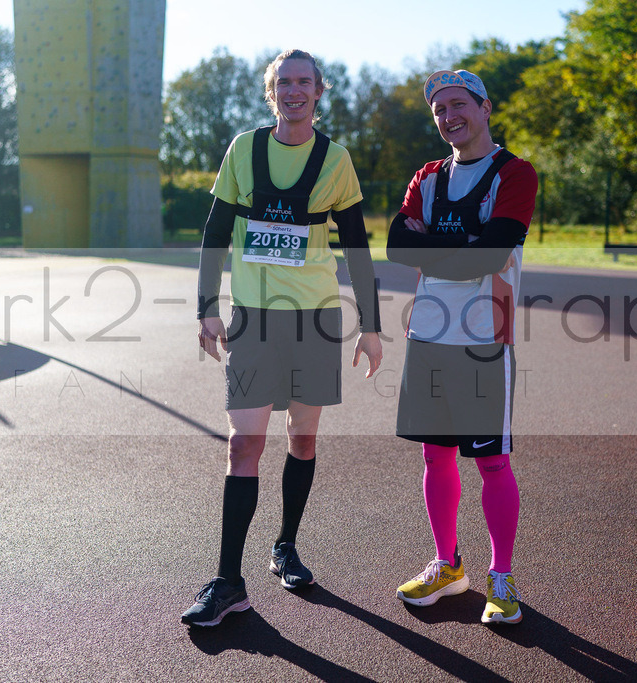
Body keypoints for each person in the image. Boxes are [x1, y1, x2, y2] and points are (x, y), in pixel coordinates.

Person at [181, 48, 383, 628]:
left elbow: (357, 246)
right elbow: (216, 230)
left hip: (314, 319)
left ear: (318, 91)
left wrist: (371, 326)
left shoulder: (336, 160)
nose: (293, 90)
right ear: (271, 92)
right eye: (283, 82)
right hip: (254, 319)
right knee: (243, 445)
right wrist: (206, 307)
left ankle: (285, 546)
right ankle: (228, 582)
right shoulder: (243, 150)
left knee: (302, 438)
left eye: (303, 82)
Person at [385, 69, 537, 625]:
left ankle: (501, 576)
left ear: (485, 107)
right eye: (439, 110)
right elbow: (396, 247)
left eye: (458, 105)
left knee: (492, 462)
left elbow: (492, 255)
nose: (449, 116)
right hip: (427, 335)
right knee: (435, 456)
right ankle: (448, 565)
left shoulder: (514, 173)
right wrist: (467, 244)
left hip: (482, 339)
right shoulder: (427, 176)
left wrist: (435, 246)